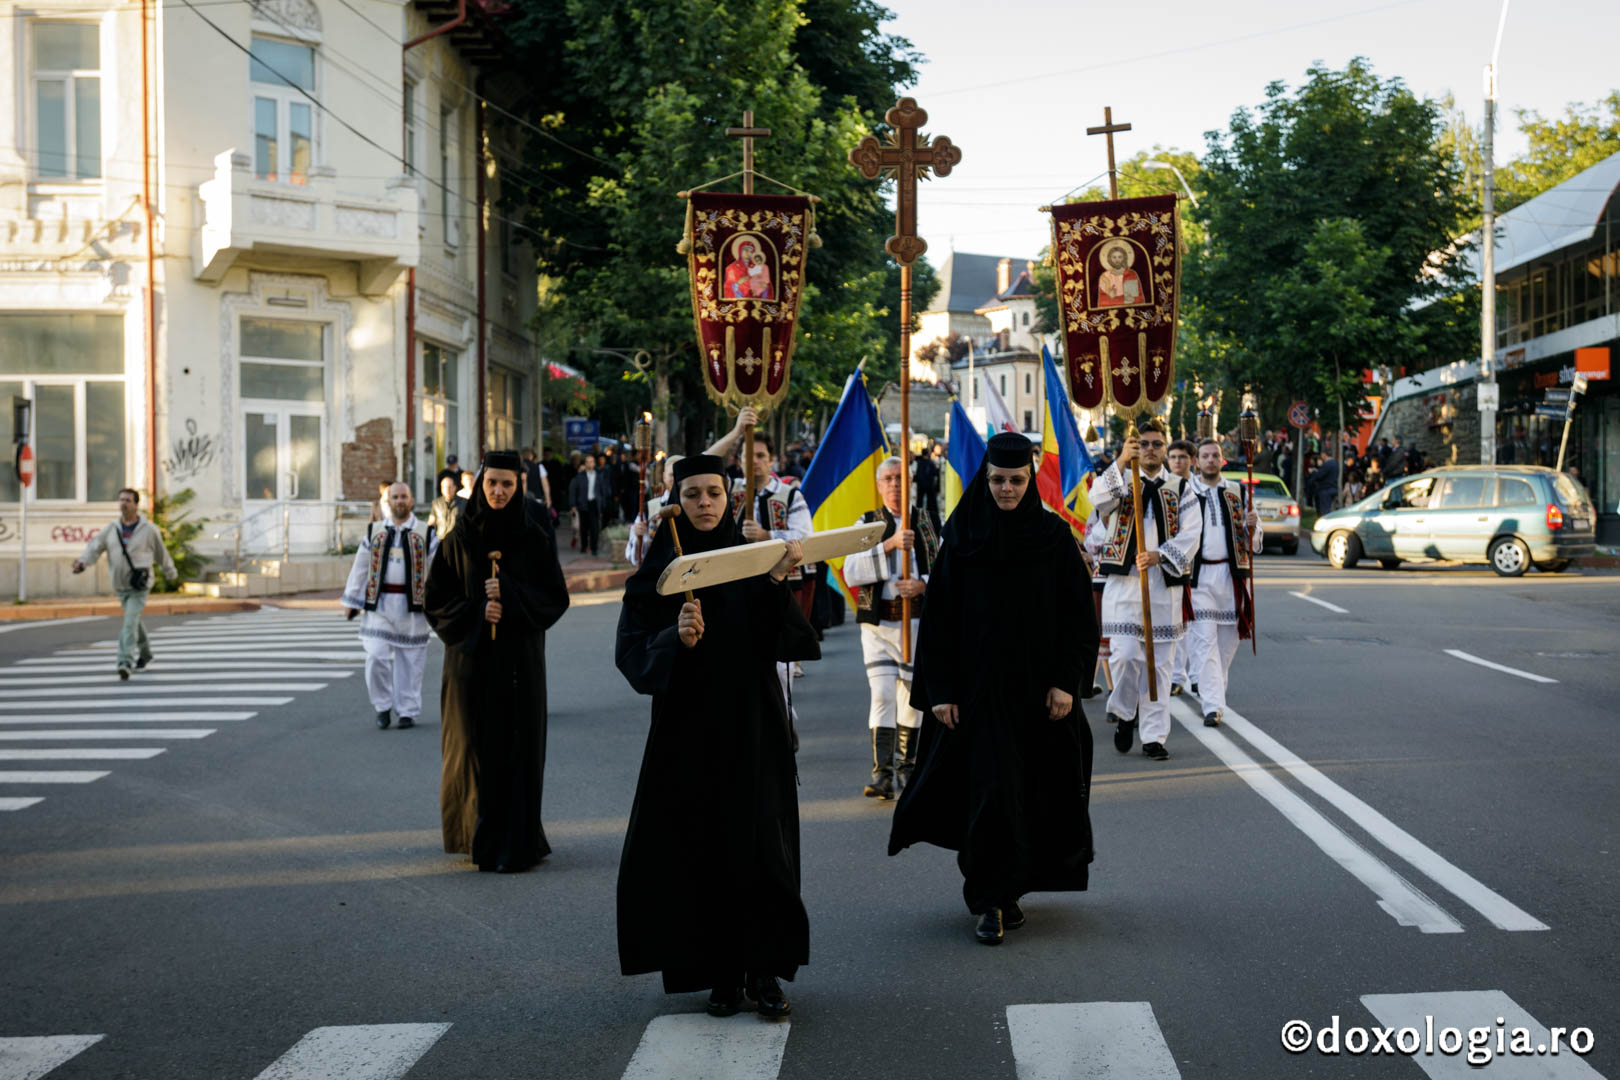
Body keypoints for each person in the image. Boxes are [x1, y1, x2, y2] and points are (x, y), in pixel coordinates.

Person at [614, 455, 818, 1018]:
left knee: (762, 848)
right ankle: (721, 975)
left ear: (730, 497)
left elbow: (785, 639)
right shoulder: (662, 564)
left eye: (714, 493)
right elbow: (630, 648)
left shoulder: (752, 560)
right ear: (676, 499)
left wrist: (776, 583)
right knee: (701, 849)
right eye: (693, 494)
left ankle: (766, 971)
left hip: (753, 724)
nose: (705, 503)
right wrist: (672, 638)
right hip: (687, 729)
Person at [889, 433, 1098, 945]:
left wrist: (1066, 684)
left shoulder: (1052, 538)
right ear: (986, 479)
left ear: (1030, 482)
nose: (1006, 489)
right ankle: (988, 899)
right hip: (977, 696)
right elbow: (938, 621)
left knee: (1029, 795)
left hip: (1037, 697)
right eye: (998, 480)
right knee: (987, 794)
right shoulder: (962, 537)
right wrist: (938, 690)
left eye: (1016, 480)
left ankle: (1010, 891)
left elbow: (1078, 618)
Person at [425, 451, 571, 873]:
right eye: (492, 483)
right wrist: (476, 613)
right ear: (480, 484)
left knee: (519, 749)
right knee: (473, 748)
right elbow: (435, 600)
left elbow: (554, 598)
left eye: (508, 484)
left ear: (519, 486)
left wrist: (508, 595)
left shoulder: (534, 537)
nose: (499, 492)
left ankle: (519, 840)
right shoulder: (459, 538)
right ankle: (475, 836)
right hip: (470, 664)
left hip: (520, 664)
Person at [1089, 418, 1203, 761]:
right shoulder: (1120, 481)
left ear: (1165, 448)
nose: (1150, 450)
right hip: (1125, 585)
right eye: (1145, 444)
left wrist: (1159, 556)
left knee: (1159, 666)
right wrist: (1122, 460)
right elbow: (1097, 500)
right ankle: (1125, 712)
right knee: (1124, 657)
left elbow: (1192, 533)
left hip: (1162, 584)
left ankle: (1154, 736)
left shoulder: (1181, 488)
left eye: (1156, 444)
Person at [842, 456, 938, 800]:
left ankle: (906, 765)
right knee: (882, 694)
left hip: (914, 624)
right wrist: (889, 545)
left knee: (911, 699)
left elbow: (947, 571)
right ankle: (881, 773)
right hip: (879, 625)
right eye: (889, 479)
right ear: (879, 484)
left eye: (901, 478)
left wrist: (923, 585)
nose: (896, 484)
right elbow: (851, 572)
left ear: (912, 482)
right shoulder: (866, 523)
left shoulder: (928, 520)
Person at [342, 483, 437, 730]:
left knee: (410, 662)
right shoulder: (374, 532)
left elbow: (438, 570)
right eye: (395, 497)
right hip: (380, 605)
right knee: (375, 656)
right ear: (388, 501)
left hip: (412, 609)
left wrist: (440, 602)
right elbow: (360, 566)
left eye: (404, 496)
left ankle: (407, 711)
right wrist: (352, 600)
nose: (400, 501)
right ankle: (382, 705)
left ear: (412, 499)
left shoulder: (426, 533)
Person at [1187, 440, 1262, 727]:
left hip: (1231, 577)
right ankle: (1213, 705)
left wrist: (1252, 526)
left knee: (1226, 645)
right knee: (1205, 642)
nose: (1210, 460)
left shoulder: (1236, 491)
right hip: (1200, 577)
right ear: (1197, 461)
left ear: (1223, 460)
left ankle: (1213, 693)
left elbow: (1252, 540)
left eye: (1215, 455)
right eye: (1204, 456)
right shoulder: (1187, 491)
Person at [72, 488, 178, 679]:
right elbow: (95, 547)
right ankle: (146, 654)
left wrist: (171, 572)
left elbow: (162, 553)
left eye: (128, 500)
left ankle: (124, 661)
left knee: (129, 622)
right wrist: (82, 562)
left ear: (136, 505)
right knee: (134, 621)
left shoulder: (148, 529)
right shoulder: (112, 529)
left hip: (140, 585)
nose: (123, 503)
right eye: (121, 500)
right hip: (120, 584)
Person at [1165, 438, 1197, 695]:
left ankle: (1196, 675)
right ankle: (1177, 675)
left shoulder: (1197, 488)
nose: (1178, 462)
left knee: (1201, 630)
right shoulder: (1165, 486)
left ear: (1191, 461)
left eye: (1183, 457)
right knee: (1180, 624)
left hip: (1204, 566)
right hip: (1176, 565)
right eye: (1174, 457)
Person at [625, 454, 684, 567]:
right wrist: (638, 535)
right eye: (672, 474)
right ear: (664, 476)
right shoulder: (649, 508)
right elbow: (635, 557)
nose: (676, 479)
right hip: (657, 571)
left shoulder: (696, 507)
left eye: (680, 474)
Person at [567, 453, 611, 557]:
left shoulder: (599, 475)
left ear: (594, 463)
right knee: (583, 527)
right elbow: (573, 491)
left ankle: (594, 548)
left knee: (595, 527)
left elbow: (603, 491)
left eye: (591, 461)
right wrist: (573, 505)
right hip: (583, 503)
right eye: (587, 462)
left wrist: (603, 504)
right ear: (585, 463)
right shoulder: (580, 476)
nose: (589, 463)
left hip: (594, 504)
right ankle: (584, 546)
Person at [913, 441, 942, 529]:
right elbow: (935, 473)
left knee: (922, 502)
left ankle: (920, 515)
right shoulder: (930, 463)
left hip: (923, 485)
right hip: (928, 485)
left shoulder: (919, 462)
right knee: (929, 503)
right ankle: (930, 515)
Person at [429, 474, 461, 539]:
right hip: (441, 538)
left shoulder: (464, 502)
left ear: (454, 487)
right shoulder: (436, 503)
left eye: (449, 487)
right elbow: (432, 521)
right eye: (444, 487)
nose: (447, 489)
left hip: (458, 540)